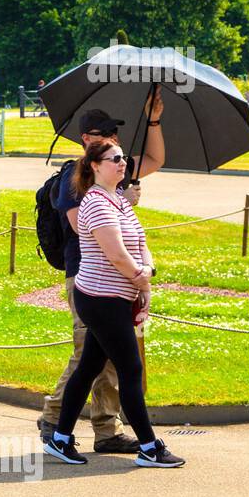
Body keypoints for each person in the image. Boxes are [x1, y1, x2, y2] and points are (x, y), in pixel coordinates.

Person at [46, 140, 184, 468]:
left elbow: (139, 242)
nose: (123, 164)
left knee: (90, 366)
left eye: (123, 158)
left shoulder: (118, 201)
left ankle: (61, 438)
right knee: (131, 369)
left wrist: (146, 274)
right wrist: (141, 276)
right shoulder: (95, 203)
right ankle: (150, 446)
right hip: (100, 299)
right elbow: (117, 254)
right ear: (94, 165)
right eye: (114, 159)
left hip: (117, 297)